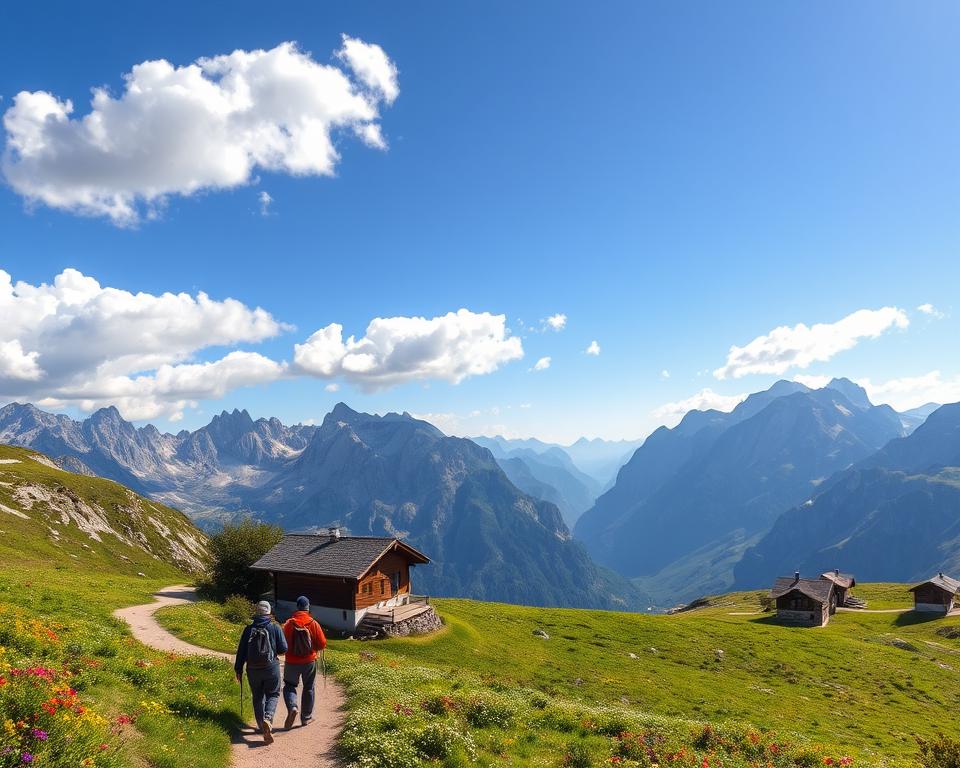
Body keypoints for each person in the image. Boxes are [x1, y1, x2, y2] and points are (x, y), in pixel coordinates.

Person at [234, 600, 287, 744]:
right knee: (273, 694)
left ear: (257, 612)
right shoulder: (275, 628)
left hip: (252, 669)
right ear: (269, 612)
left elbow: (241, 651)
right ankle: (268, 718)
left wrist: (238, 669)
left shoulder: (248, 629)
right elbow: (283, 649)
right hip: (271, 667)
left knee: (257, 696)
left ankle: (260, 726)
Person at [281, 595, 327, 729]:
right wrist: (314, 649)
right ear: (308, 607)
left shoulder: (289, 623)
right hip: (309, 661)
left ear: (297, 607)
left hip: (291, 661)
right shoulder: (313, 623)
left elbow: (283, 644)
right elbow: (322, 643)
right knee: (309, 687)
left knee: (289, 686)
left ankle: (292, 707)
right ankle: (306, 717)